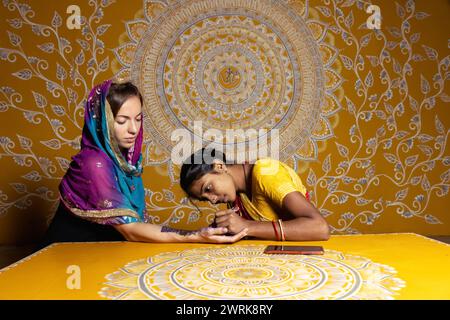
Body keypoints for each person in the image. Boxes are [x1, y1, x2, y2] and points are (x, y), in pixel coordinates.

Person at [38, 80, 247, 249]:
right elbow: (129, 230)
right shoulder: (94, 164)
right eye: (122, 121)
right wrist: (194, 235)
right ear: (102, 122)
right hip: (69, 258)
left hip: (104, 255)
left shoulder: (127, 165)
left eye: (138, 119)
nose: (133, 129)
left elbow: (137, 228)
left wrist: (197, 234)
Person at [179, 148, 330, 241]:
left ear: (219, 166)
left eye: (208, 188)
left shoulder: (266, 173)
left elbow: (320, 228)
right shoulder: (236, 197)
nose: (212, 200)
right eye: (204, 199)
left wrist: (246, 226)